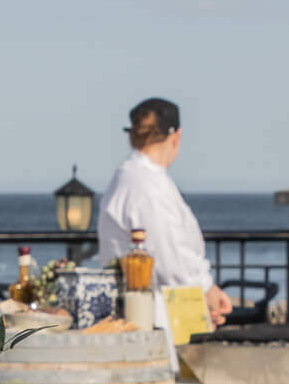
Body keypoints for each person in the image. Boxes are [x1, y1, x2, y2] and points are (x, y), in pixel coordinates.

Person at [98, 98, 233, 328]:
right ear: (175, 137)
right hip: (155, 320)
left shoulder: (134, 178)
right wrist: (206, 290)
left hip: (155, 311)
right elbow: (171, 260)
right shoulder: (146, 187)